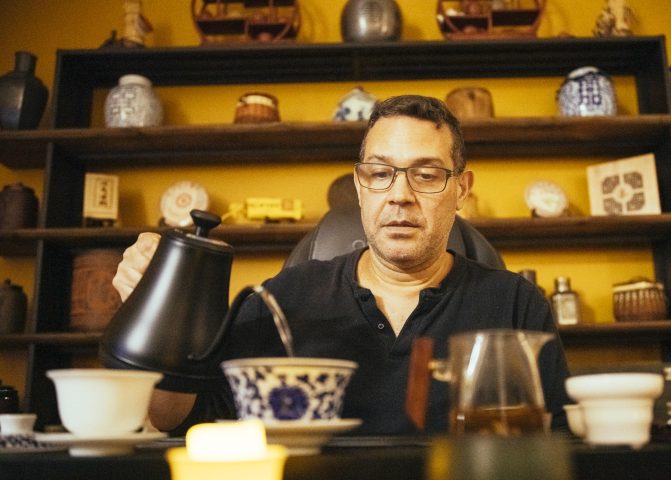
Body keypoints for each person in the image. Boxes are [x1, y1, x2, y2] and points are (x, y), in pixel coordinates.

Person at [112, 94, 572, 436]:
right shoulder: (283, 300)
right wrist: (155, 309)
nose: (399, 195)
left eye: (427, 175)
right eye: (380, 173)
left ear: (461, 190)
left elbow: (562, 442)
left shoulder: (516, 306)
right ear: (359, 186)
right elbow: (181, 419)